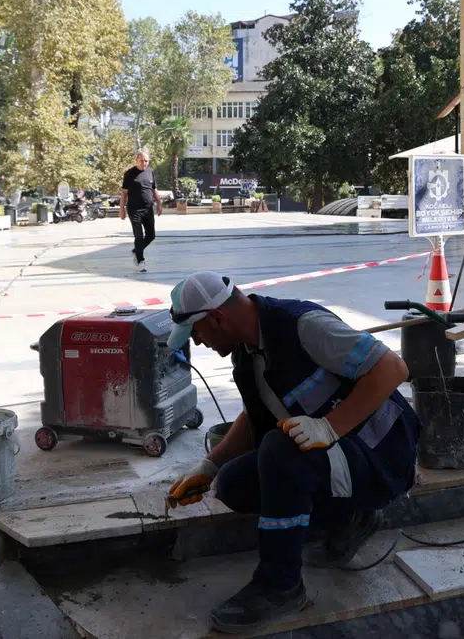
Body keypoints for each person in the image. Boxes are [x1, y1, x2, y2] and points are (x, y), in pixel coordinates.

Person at [164, 271, 420, 633]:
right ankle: (350, 518)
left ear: (217, 318)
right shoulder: (248, 351)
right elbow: (257, 416)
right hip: (337, 456)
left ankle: (280, 585)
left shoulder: (302, 325)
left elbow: (393, 368)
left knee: (281, 451)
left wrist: (328, 426)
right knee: (234, 483)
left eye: (197, 334)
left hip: (383, 456)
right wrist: (209, 466)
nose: (200, 343)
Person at [120, 148, 162, 271]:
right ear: (136, 160)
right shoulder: (129, 174)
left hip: (148, 209)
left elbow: (154, 190)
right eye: (141, 161)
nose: (144, 163)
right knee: (139, 236)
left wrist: (159, 203)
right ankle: (140, 261)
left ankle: (136, 250)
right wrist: (121, 209)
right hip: (134, 210)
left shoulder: (151, 172)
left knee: (151, 235)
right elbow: (123, 193)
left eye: (146, 161)